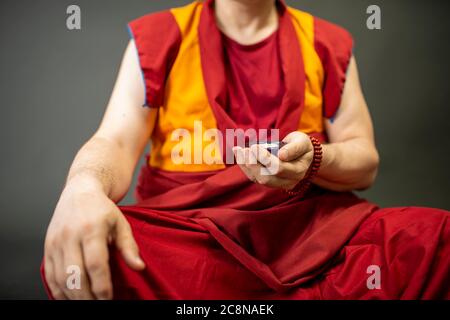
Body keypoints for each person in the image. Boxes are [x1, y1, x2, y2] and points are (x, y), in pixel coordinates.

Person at [41, 0, 450, 299]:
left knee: (435, 238)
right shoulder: (160, 37)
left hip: (312, 237)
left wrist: (314, 157)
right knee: (89, 249)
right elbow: (113, 140)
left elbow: (365, 164)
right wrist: (82, 188)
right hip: (194, 240)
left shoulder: (325, 41)